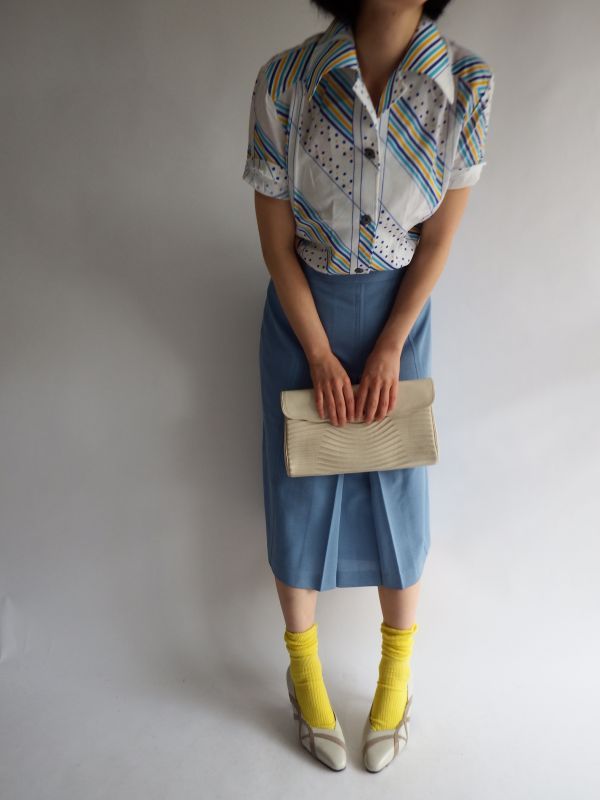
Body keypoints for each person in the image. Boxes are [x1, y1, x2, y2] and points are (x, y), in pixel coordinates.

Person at [241, 0, 495, 773]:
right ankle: (303, 672)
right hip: (302, 318)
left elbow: (439, 237)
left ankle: (396, 675)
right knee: (299, 488)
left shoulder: (465, 85)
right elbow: (276, 243)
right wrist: (318, 353)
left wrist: (390, 343)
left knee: (399, 490)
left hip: (399, 317)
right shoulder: (284, 81)